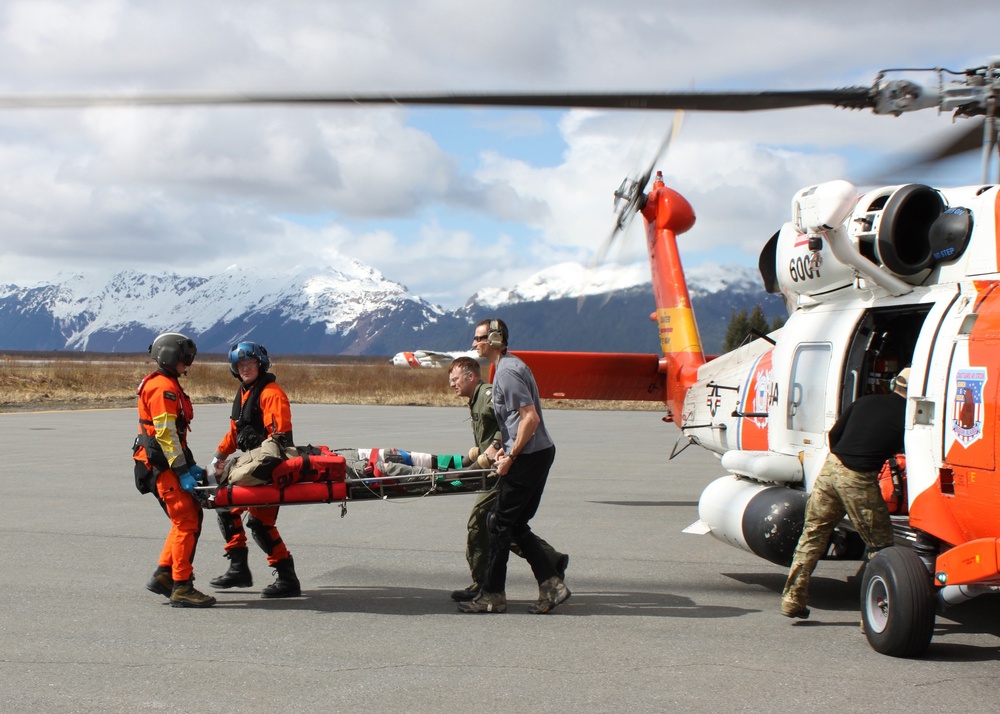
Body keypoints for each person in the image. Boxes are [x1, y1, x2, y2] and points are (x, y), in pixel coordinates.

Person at [458, 318, 570, 614]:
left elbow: (529, 417)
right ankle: (551, 582)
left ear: (495, 338)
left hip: (529, 456)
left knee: (498, 524)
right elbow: (512, 422)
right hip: (536, 453)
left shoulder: (507, 372)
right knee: (514, 524)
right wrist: (500, 447)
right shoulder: (508, 367)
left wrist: (512, 455)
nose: (475, 343)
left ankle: (492, 595)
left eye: (479, 338)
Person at [780, 367, 910, 619]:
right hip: (858, 478)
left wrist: (845, 457)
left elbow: (834, 434)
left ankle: (792, 598)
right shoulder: (908, 417)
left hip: (830, 468)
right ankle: (876, 615)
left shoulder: (864, 401)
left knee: (814, 534)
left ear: (896, 384)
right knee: (881, 547)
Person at [209, 341, 301, 598]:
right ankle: (239, 569)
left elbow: (278, 437)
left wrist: (256, 467)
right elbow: (235, 432)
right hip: (252, 465)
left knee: (259, 524)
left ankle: (286, 579)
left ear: (260, 364)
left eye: (249, 363)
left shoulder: (270, 393)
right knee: (228, 511)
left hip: (268, 468)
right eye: (240, 365)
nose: (245, 368)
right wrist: (216, 458)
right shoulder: (245, 392)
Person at [134, 331, 216, 608]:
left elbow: (177, 434)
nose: (188, 364)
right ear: (171, 356)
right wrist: (181, 470)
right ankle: (182, 586)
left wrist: (189, 464)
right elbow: (166, 434)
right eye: (185, 358)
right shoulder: (162, 388)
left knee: (189, 517)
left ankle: (164, 575)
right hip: (162, 465)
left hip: (166, 462)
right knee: (186, 522)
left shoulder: (168, 384)